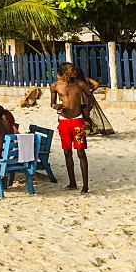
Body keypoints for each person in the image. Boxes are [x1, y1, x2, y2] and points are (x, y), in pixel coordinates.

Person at [50, 62, 94, 192]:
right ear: (64, 72)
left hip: (78, 121)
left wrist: (87, 108)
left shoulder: (80, 84)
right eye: (71, 70)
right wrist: (55, 106)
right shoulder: (55, 86)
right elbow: (52, 103)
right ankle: (72, 183)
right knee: (67, 152)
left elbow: (89, 96)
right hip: (64, 122)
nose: (75, 72)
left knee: (81, 151)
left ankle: (85, 185)